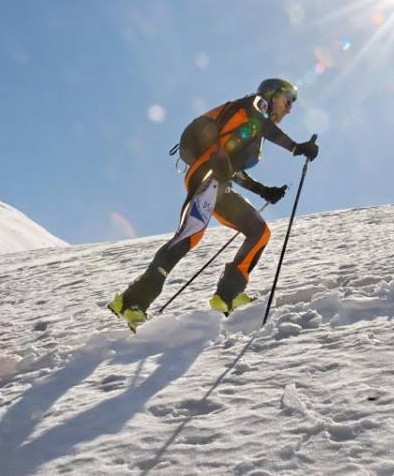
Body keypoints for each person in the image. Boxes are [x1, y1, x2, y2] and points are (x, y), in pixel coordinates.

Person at [107, 78, 319, 330]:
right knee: (189, 236)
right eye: (288, 99)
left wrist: (264, 191)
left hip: (220, 183)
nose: (290, 108)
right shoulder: (256, 105)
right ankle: (132, 302)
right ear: (273, 95)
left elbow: (232, 168)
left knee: (259, 232)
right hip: (207, 178)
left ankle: (227, 295)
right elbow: (236, 147)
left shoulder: (252, 127)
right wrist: (295, 147)